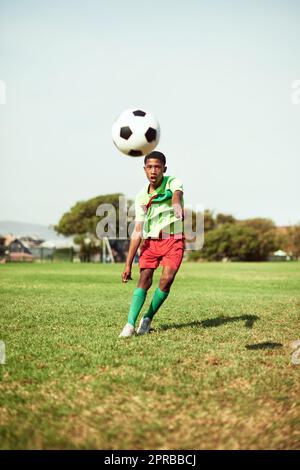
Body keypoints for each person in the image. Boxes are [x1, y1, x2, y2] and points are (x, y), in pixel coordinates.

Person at [119, 150, 184, 337]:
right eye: (149, 167)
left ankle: (147, 318)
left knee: (167, 279)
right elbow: (137, 230)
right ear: (144, 170)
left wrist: (177, 206)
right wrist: (127, 264)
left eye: (157, 167)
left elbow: (176, 195)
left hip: (173, 239)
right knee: (144, 280)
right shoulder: (141, 197)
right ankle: (130, 325)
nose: (153, 170)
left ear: (164, 168)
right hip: (150, 242)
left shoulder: (173, 182)